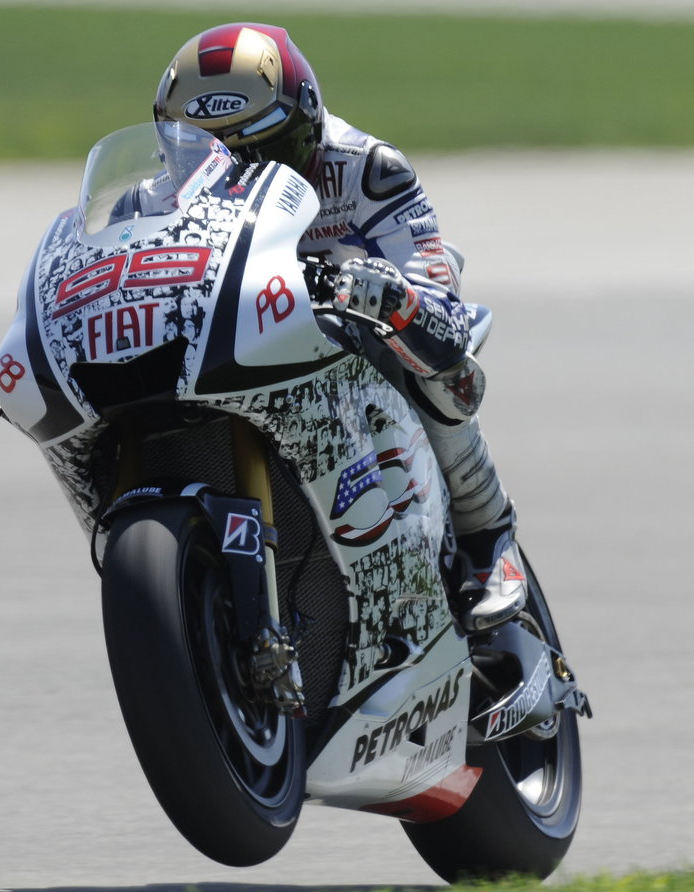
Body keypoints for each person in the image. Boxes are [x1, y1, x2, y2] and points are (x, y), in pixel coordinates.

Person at [153, 23, 526, 633]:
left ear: (306, 126)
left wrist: (388, 298)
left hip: (349, 341)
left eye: (259, 154)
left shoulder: (368, 170)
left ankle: (488, 534)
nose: (233, 180)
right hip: (241, 341)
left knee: (436, 364)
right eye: (205, 157)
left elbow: (446, 315)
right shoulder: (157, 196)